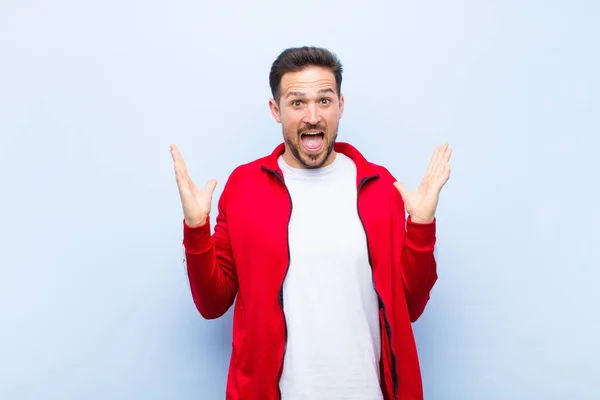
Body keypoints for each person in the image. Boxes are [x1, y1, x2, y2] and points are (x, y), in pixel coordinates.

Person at [170, 46, 452, 400]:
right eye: (297, 102)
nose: (313, 116)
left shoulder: (381, 188)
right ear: (276, 110)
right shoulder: (244, 188)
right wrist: (196, 230)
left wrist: (421, 225)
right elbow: (212, 304)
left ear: (340, 106)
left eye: (324, 100)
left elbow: (408, 306)